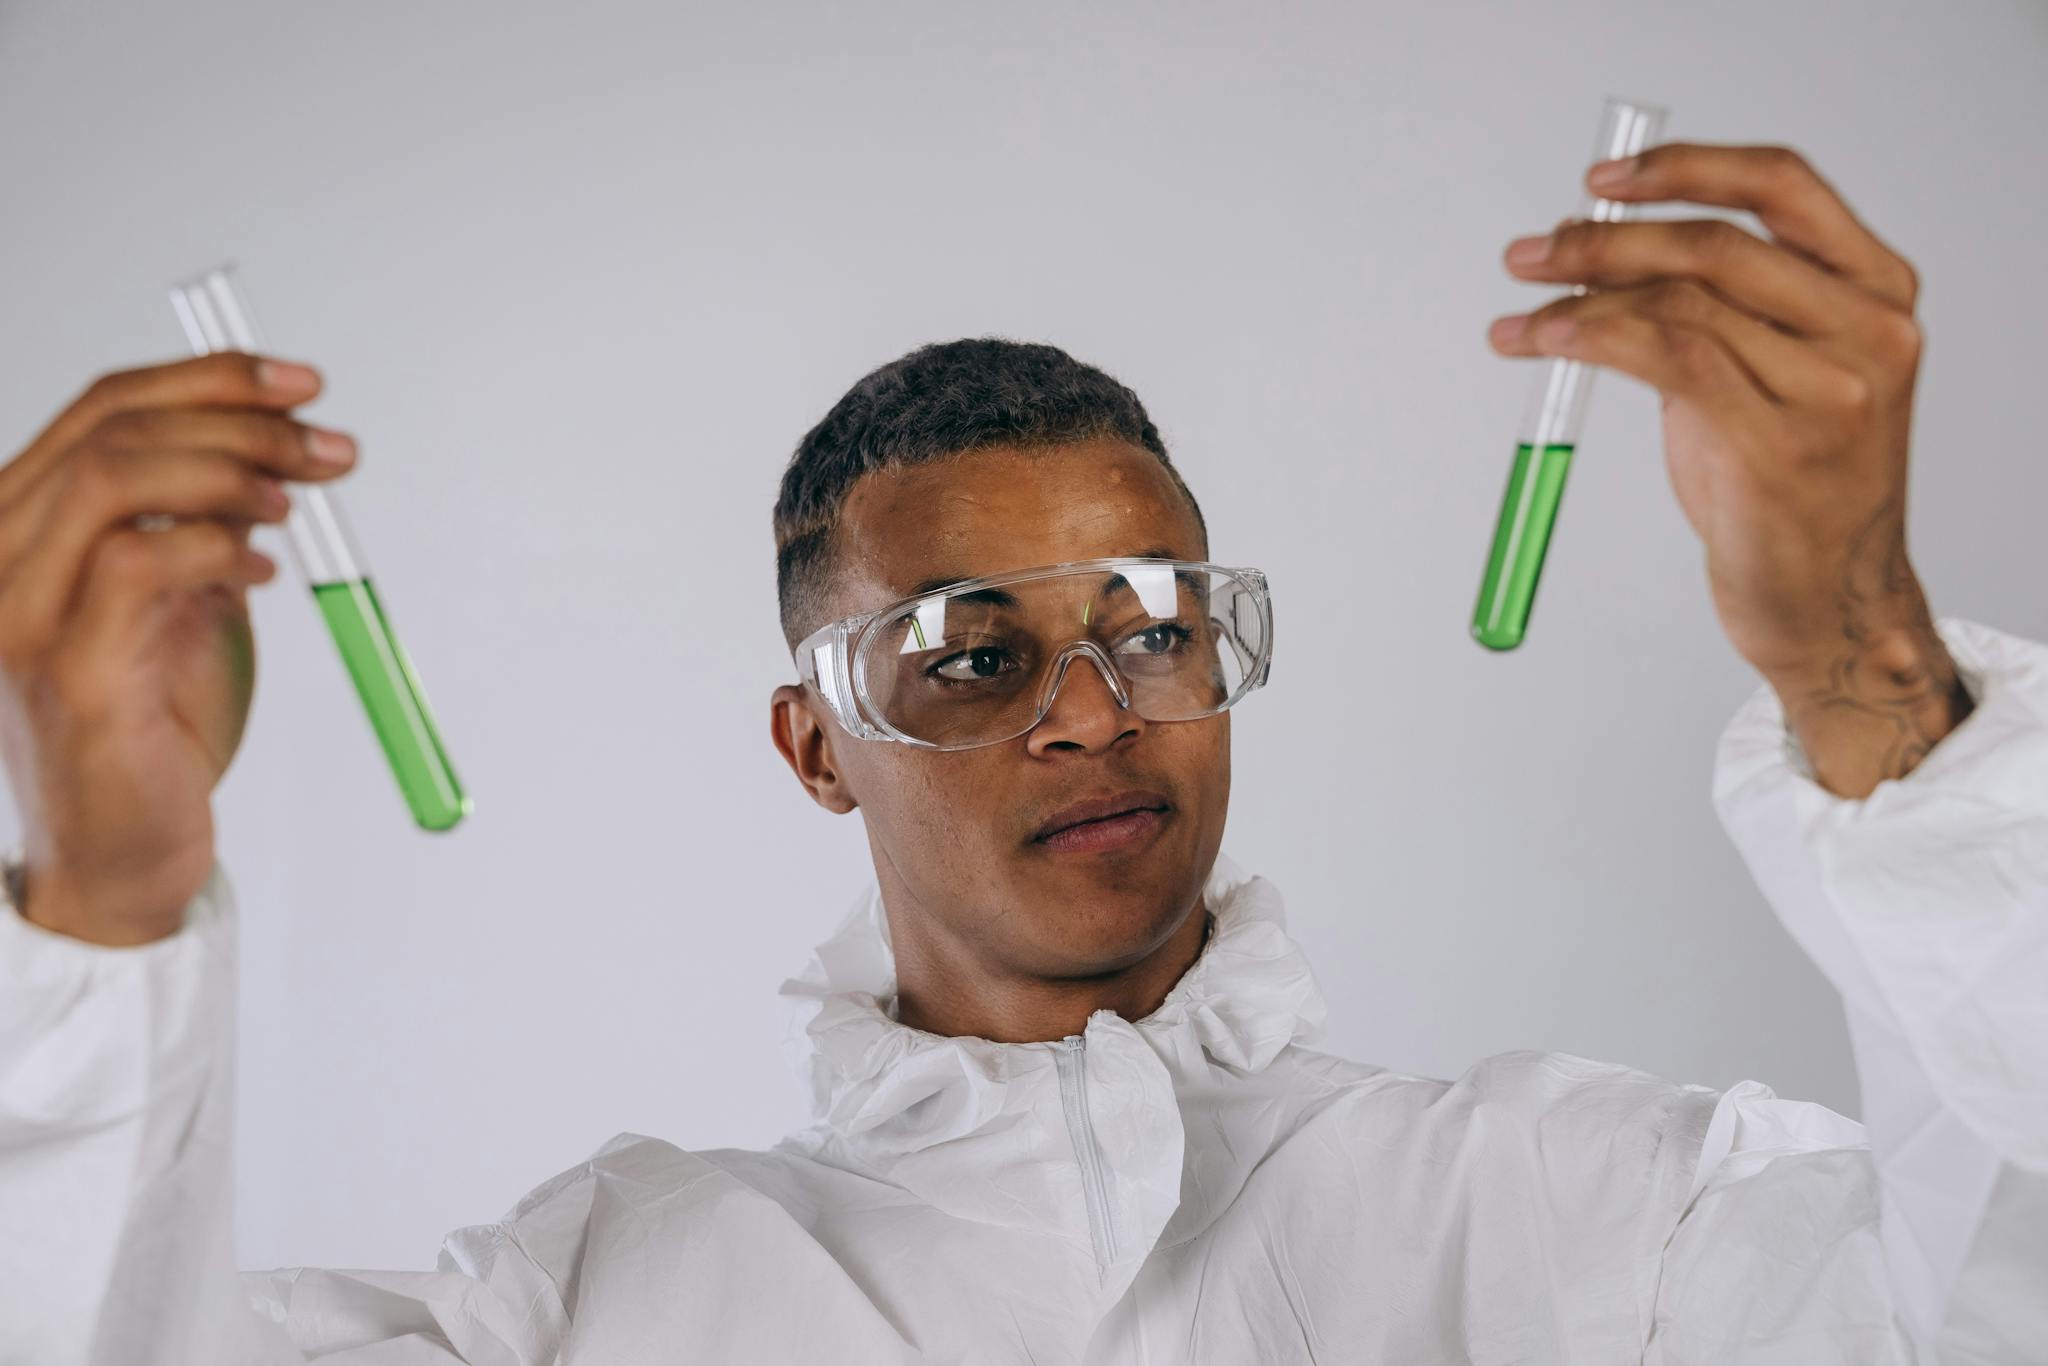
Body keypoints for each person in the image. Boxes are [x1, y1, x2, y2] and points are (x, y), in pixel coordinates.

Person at [1, 143, 2042, 1365]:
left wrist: (1859, 660)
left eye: (1153, 623)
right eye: (969, 654)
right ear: (818, 745)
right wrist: (102, 905)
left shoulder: (1588, 1208)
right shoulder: (605, 1293)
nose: (1091, 704)